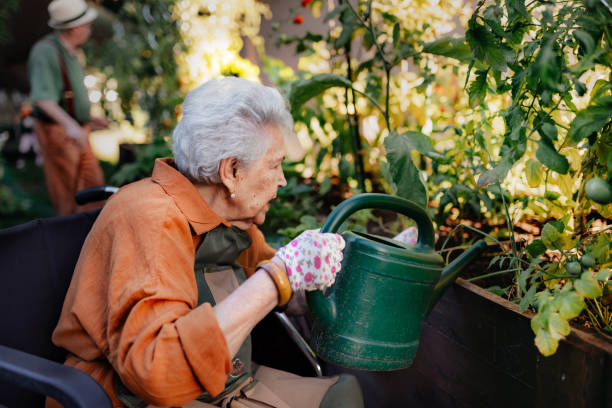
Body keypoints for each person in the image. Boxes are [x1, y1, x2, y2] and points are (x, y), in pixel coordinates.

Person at [48, 77, 364, 408]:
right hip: (131, 397)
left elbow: (286, 293)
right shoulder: (152, 220)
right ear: (232, 171)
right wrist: (277, 278)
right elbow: (157, 371)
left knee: (343, 396)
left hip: (225, 383)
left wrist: (317, 275)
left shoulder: (228, 218)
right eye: (275, 165)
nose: (283, 180)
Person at [28, 0, 107, 216]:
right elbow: (42, 100)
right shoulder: (45, 52)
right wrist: (71, 125)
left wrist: (88, 118)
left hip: (76, 128)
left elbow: (66, 96)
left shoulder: (71, 52)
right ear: (75, 28)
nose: (89, 29)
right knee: (70, 192)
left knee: (93, 186)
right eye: (87, 25)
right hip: (58, 130)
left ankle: (92, 232)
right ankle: (71, 240)